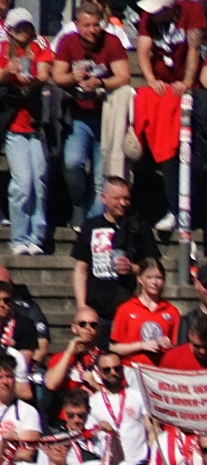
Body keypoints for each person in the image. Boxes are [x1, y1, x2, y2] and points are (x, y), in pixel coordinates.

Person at [51, 1, 129, 226]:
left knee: (100, 175)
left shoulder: (111, 42)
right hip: (78, 114)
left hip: (106, 114)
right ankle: (78, 203)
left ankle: (92, 225)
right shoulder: (68, 41)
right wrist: (73, 78)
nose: (93, 30)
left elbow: (123, 76)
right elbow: (58, 77)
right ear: (77, 25)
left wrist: (100, 82)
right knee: (72, 162)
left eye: (96, 25)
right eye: (87, 25)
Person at [2, 9, 51, 255]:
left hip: (36, 125)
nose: (24, 32)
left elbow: (43, 73)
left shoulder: (40, 46)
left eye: (27, 27)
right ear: (10, 29)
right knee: (22, 183)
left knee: (39, 180)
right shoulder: (2, 50)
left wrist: (33, 78)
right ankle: (19, 237)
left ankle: (36, 237)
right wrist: (7, 72)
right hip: (13, 127)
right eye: (19, 28)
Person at [73, 176, 154, 322]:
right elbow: (81, 269)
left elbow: (153, 268)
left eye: (126, 198)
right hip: (96, 311)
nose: (123, 203)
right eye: (117, 198)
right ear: (104, 198)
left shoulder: (139, 226)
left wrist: (133, 268)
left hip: (130, 308)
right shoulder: (91, 226)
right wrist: (82, 306)